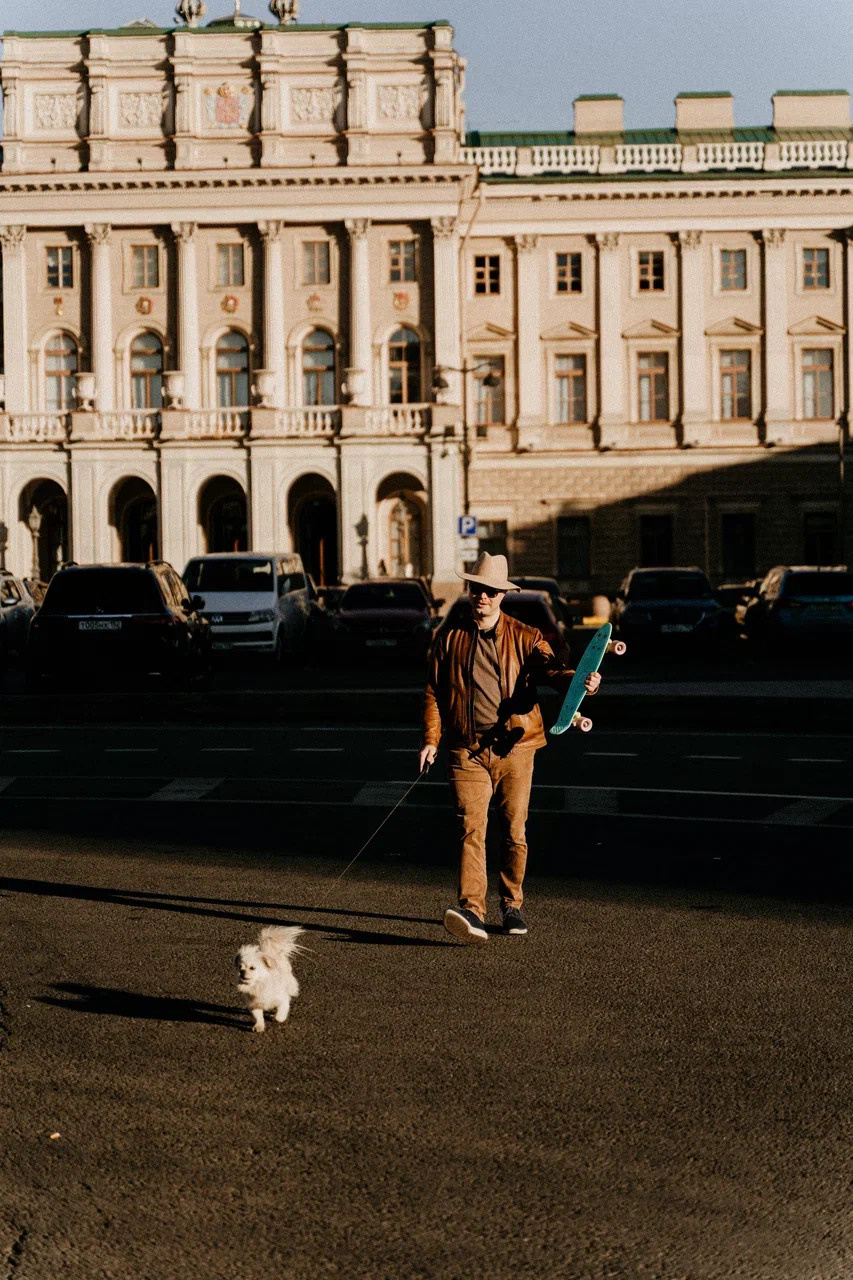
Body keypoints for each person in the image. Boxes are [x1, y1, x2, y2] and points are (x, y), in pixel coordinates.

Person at [419, 552, 600, 944]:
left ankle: (511, 904)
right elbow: (434, 691)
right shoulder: (450, 639)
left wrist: (578, 681)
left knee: (514, 832)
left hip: (516, 748)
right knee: (471, 828)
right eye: (476, 589)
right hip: (466, 751)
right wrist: (431, 740)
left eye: (490, 591)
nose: (481, 597)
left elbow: (551, 668)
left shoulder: (526, 636)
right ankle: (472, 910)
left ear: (502, 595)